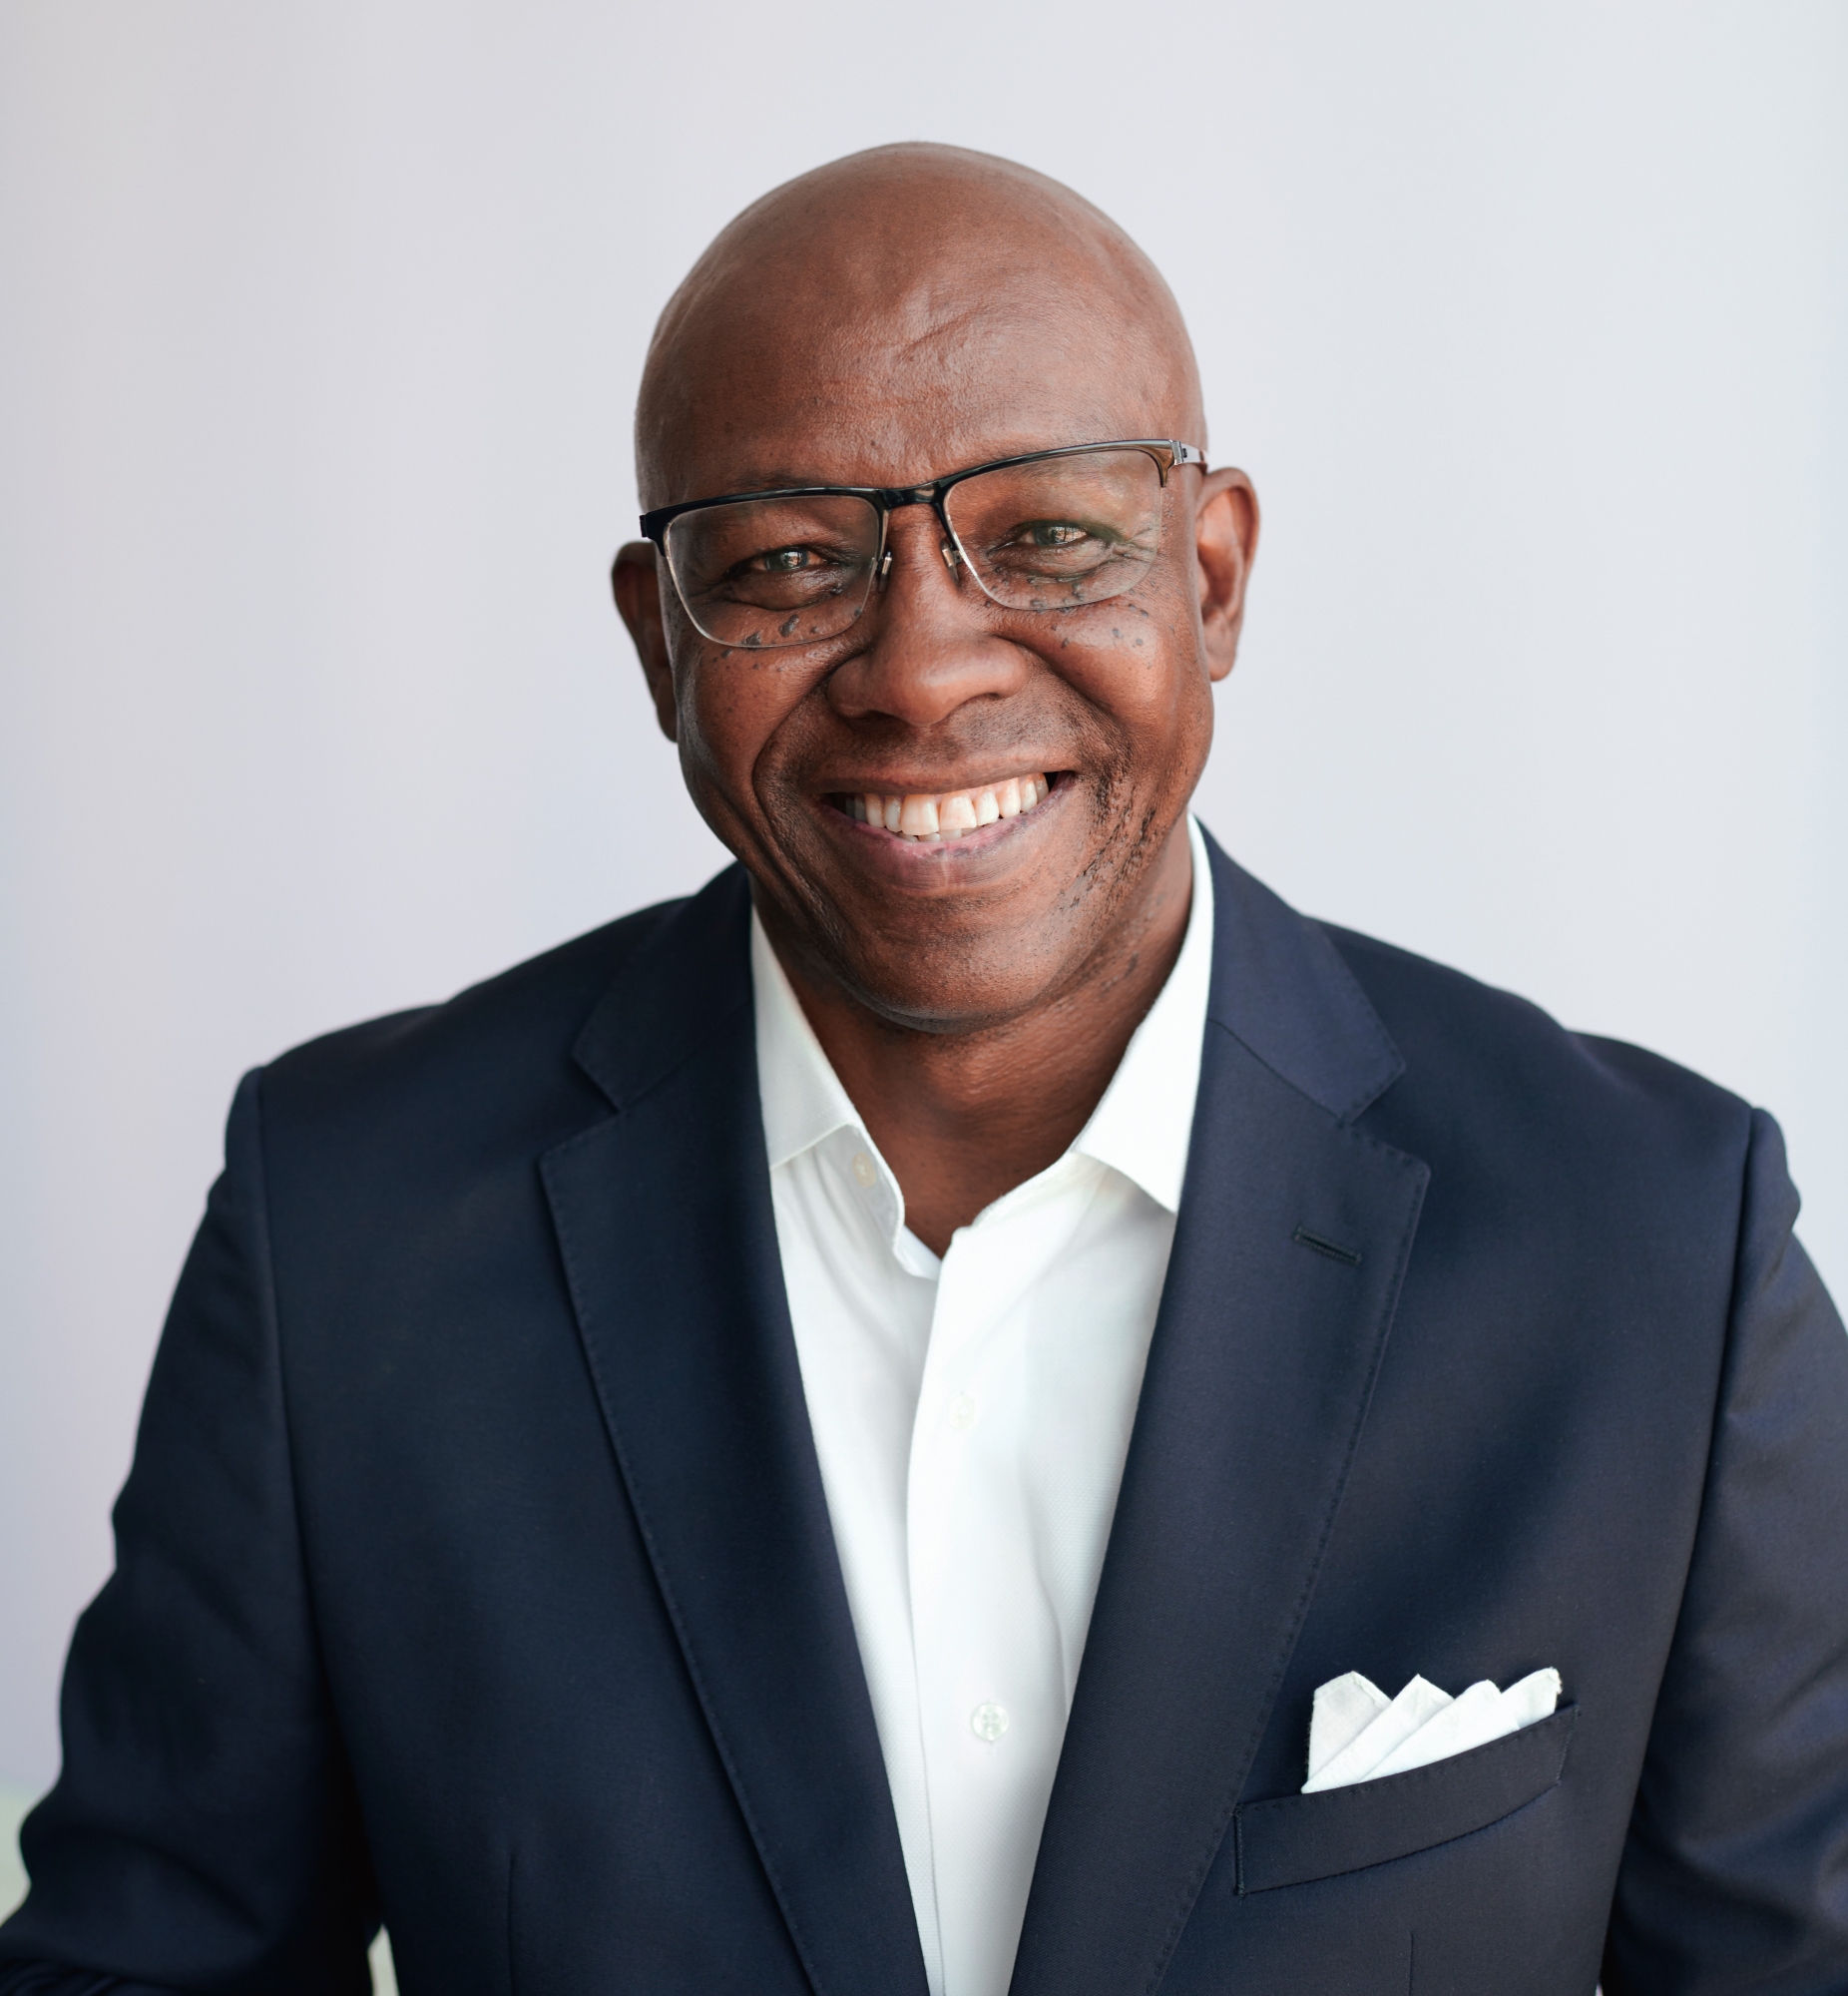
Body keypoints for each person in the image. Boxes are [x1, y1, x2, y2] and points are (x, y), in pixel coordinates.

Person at [3, 142, 1845, 1996]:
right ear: (661, 645)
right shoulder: (347, 1228)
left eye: (1044, 537)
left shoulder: (1658, 1252)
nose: (921, 670)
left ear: (1211, 581)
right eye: (794, 562)